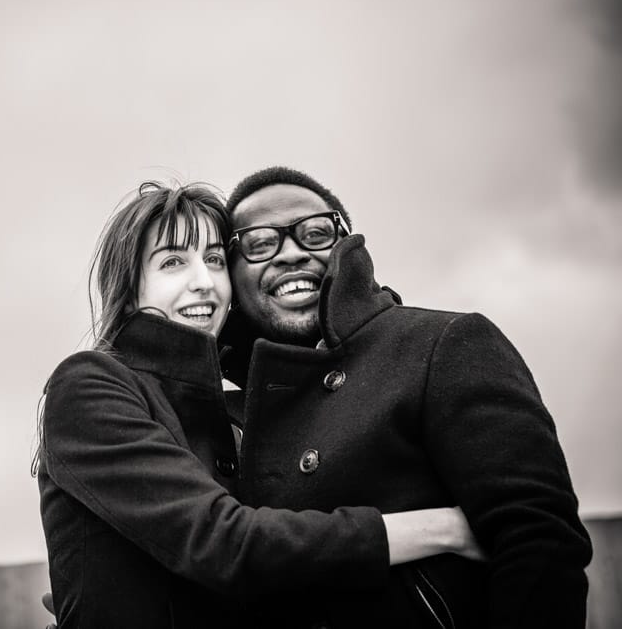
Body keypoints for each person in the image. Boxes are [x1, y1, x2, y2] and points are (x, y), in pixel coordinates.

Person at [34, 182, 482, 629]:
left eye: (213, 260)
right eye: (173, 262)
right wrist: (443, 530)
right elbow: (226, 543)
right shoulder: (89, 385)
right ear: (129, 289)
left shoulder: (231, 411)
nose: (204, 283)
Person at [219, 166, 593, 628]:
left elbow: (538, 539)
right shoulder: (221, 417)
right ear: (230, 273)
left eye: (316, 233)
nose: (292, 253)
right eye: (258, 243)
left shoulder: (443, 343)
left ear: (346, 246)